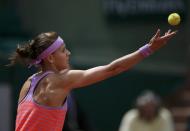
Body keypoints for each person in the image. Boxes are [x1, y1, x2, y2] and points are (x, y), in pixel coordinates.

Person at [9, 29, 176, 131]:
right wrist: (149, 49)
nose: (68, 53)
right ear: (51, 58)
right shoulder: (61, 80)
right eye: (63, 50)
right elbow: (113, 68)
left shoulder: (28, 83)